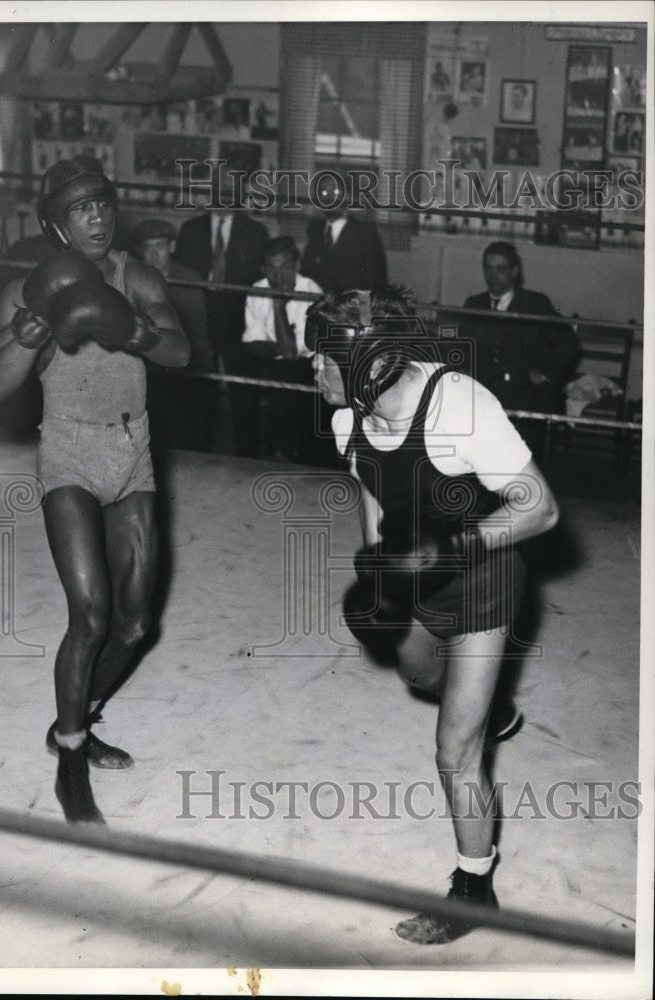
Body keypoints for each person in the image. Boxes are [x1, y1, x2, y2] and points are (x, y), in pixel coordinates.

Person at [307, 286, 560, 944]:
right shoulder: (346, 420)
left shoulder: (461, 408)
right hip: (415, 581)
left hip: (483, 582)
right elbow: (371, 490)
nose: (312, 368)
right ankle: (487, 708)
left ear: (367, 364)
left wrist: (454, 547)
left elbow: (541, 509)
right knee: (418, 674)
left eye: (323, 358)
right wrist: (379, 571)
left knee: (454, 752)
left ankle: (474, 889)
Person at [0, 156, 190, 824]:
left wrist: (135, 329)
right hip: (68, 449)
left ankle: (76, 717)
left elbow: (182, 352)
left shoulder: (139, 274)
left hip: (132, 452)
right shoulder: (30, 288)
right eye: (81, 209)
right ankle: (71, 759)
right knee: (91, 613)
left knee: (133, 623)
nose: (97, 217)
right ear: (58, 225)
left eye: (103, 204)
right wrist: (28, 333)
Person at [173, 174, 269, 457]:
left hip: (239, 325)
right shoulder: (190, 230)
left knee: (243, 396)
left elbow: (260, 284)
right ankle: (197, 454)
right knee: (199, 392)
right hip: (199, 324)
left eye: (231, 191)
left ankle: (248, 458)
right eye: (219, 190)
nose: (224, 196)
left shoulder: (255, 232)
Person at [460, 241, 580, 456]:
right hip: (483, 397)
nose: (493, 276)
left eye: (501, 269)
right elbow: (461, 346)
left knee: (520, 462)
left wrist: (545, 373)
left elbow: (569, 344)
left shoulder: (536, 304)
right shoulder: (473, 304)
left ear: (514, 272)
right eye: (488, 268)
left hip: (524, 398)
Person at [233, 235, 328, 464]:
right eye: (272, 269)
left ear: (296, 266)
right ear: (263, 269)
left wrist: (277, 305)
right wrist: (277, 347)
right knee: (239, 363)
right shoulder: (257, 289)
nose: (278, 276)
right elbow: (253, 343)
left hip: (312, 365)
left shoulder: (312, 292)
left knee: (288, 370)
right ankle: (249, 457)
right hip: (274, 359)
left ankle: (284, 450)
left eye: (285, 267)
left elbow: (292, 354)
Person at [132, 217, 216, 452]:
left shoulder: (188, 279)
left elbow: (199, 330)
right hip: (147, 365)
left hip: (183, 364)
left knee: (191, 429)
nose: (154, 254)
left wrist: (205, 369)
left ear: (172, 247)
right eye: (148, 248)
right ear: (140, 252)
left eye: (159, 246)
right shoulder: (134, 278)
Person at [301, 173, 387, 295]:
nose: (330, 198)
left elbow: (374, 285)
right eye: (324, 193)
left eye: (336, 192)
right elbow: (306, 278)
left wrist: (365, 314)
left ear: (347, 196)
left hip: (351, 311)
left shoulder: (366, 235)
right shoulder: (315, 232)